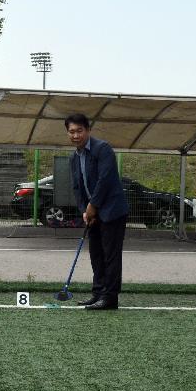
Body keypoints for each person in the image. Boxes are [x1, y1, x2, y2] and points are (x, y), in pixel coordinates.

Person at [66, 113, 129, 310]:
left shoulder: (103, 149)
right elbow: (77, 187)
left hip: (111, 211)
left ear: (88, 130)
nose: (76, 135)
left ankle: (110, 297)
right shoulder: (74, 157)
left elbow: (106, 180)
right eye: (71, 132)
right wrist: (85, 211)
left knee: (110, 255)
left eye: (79, 131)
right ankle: (98, 293)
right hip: (93, 214)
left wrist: (92, 206)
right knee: (96, 254)